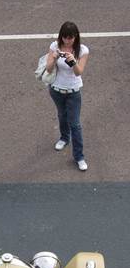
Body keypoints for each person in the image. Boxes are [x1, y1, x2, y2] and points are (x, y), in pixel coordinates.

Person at [46, 22, 89, 171]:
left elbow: (78, 72)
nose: (67, 41)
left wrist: (72, 61)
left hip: (73, 92)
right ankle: (64, 138)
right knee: (61, 115)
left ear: (75, 37)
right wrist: (54, 57)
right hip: (56, 90)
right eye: (65, 37)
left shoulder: (82, 50)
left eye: (70, 38)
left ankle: (79, 157)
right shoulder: (54, 46)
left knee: (75, 124)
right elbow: (48, 68)